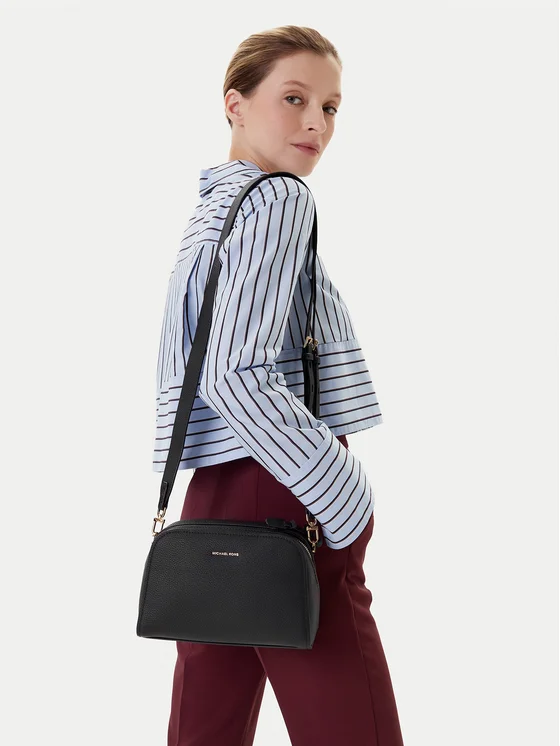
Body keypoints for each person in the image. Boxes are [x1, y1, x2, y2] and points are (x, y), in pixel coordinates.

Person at [153, 24, 405, 746]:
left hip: (211, 494)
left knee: (205, 727)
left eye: (330, 107)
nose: (316, 123)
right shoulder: (278, 200)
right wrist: (342, 491)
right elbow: (235, 371)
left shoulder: (213, 207)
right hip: (286, 487)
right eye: (294, 98)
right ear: (234, 104)